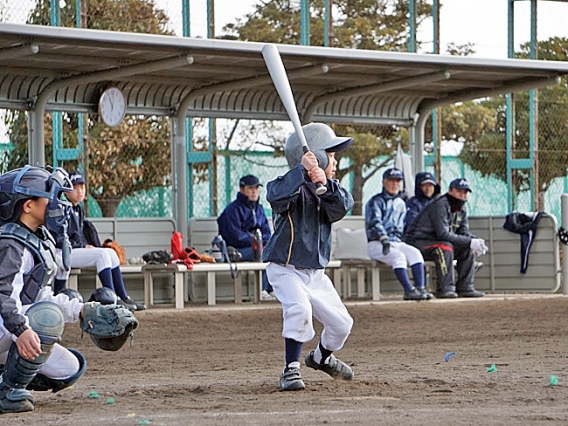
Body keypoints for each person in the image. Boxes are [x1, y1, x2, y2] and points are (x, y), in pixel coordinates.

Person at [263, 122, 355, 392]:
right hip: (285, 268)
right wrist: (301, 172)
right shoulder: (289, 186)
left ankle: (321, 357)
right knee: (299, 311)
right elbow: (275, 195)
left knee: (342, 324)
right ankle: (291, 369)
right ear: (315, 155)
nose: (335, 161)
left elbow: (342, 207)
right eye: (331, 155)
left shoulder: (329, 189)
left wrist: (323, 182)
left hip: (315, 274)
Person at [0, 166, 87, 413]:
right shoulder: (10, 242)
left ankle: (5, 377)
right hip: (5, 322)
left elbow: (41, 297)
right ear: (27, 206)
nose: (57, 204)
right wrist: (22, 330)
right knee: (44, 318)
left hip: (6, 329)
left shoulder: (37, 238)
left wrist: (81, 311)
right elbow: (4, 295)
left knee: (68, 369)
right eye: (49, 198)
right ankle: (5, 391)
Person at [52, 171, 146, 310]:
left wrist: (85, 245)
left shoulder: (78, 209)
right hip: (61, 253)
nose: (79, 191)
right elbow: (59, 239)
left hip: (74, 251)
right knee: (101, 255)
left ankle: (123, 297)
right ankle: (112, 299)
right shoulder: (61, 208)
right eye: (75, 187)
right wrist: (83, 246)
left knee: (111, 253)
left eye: (82, 187)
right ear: (65, 191)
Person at [404, 178, 487, 298]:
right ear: (450, 191)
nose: (462, 195)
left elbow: (464, 232)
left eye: (465, 192)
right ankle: (445, 288)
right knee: (444, 247)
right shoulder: (440, 205)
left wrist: (477, 241)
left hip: (437, 242)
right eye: (459, 191)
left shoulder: (462, 209)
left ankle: (466, 287)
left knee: (467, 248)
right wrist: (469, 241)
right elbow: (442, 234)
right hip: (418, 242)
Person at [365, 168, 432, 301]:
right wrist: (383, 238)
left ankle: (420, 288)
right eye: (391, 180)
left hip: (396, 241)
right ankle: (408, 290)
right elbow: (375, 222)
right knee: (399, 257)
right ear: (384, 182)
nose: (395, 184)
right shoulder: (375, 201)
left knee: (415, 253)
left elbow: (405, 226)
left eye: (398, 181)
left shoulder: (401, 203)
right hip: (377, 243)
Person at [217, 174, 276, 301]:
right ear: (242, 189)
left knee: (273, 251)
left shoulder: (259, 209)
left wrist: (260, 241)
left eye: (256, 188)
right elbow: (235, 237)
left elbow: (267, 233)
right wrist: (255, 240)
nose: (254, 191)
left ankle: (271, 289)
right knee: (264, 252)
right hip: (236, 251)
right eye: (250, 188)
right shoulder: (232, 210)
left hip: (256, 248)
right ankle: (263, 290)